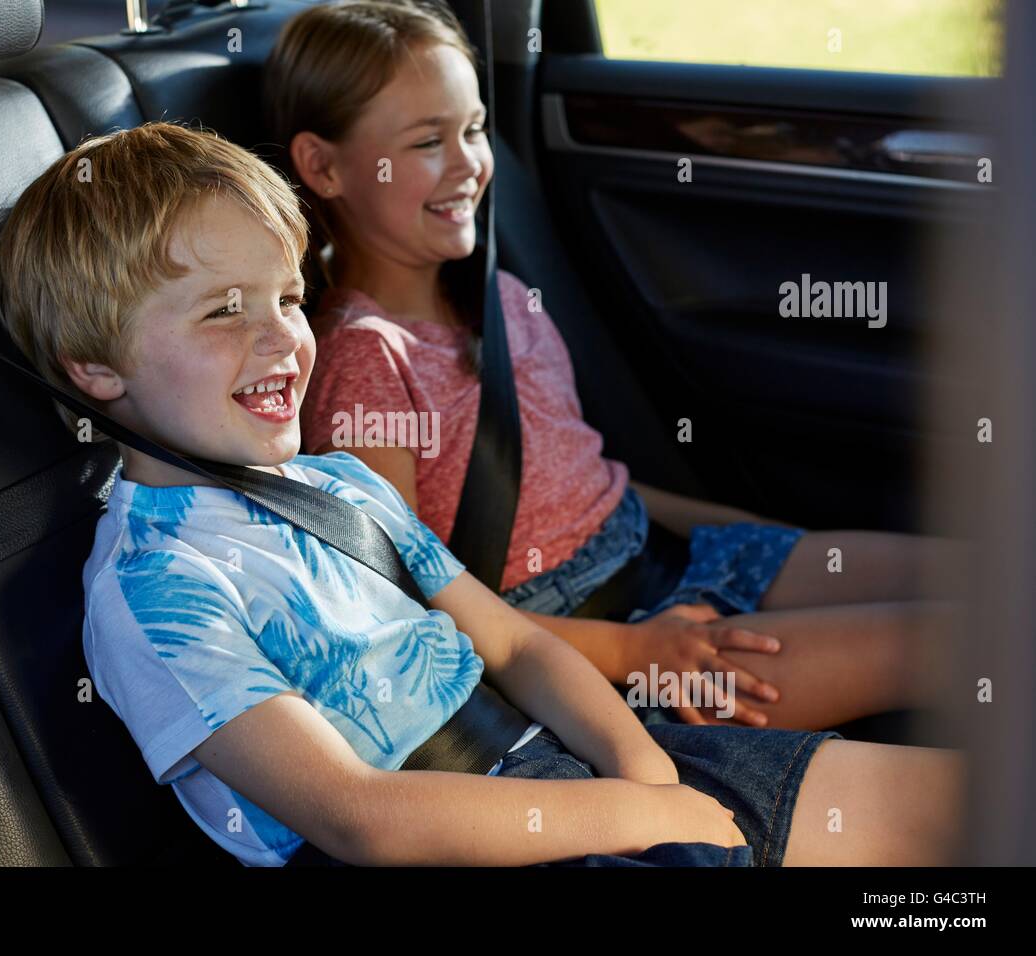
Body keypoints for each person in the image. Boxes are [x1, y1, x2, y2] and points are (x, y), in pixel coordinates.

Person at [0, 119, 960, 867]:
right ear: (94, 367)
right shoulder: (156, 588)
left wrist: (642, 767)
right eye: (222, 312)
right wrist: (627, 812)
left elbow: (518, 641)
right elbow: (357, 815)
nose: (284, 338)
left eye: (287, 297)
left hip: (580, 768)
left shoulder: (338, 487)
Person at [269, 0, 962, 730]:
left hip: (670, 557)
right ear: (323, 165)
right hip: (589, 647)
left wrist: (755, 532)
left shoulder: (502, 296)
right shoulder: (366, 362)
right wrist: (636, 651)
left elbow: (591, 480)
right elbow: (410, 607)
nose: (471, 163)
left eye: (474, 129)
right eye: (426, 142)